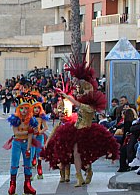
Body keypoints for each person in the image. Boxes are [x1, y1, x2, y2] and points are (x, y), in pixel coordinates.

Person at [41, 58, 119, 186]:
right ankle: (79, 177)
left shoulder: (90, 107)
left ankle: (88, 171)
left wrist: (66, 95)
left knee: (85, 157)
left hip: (87, 132)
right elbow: (77, 100)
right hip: (77, 130)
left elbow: (77, 102)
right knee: (75, 153)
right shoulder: (83, 102)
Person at [5, 98, 38, 195]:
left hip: (26, 143)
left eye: (26, 108)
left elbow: (31, 136)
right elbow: (16, 133)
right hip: (17, 143)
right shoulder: (16, 119)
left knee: (27, 164)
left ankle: (27, 185)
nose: (24, 110)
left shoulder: (31, 120)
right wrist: (28, 132)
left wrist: (28, 149)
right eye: (22, 108)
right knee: (14, 163)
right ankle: (12, 185)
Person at [31, 97, 49, 179]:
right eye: (35, 108)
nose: (36, 109)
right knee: (31, 152)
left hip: (39, 136)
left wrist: (39, 132)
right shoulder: (29, 117)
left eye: (38, 108)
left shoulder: (42, 117)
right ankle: (29, 172)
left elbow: (46, 127)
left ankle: (39, 167)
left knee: (39, 152)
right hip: (30, 137)